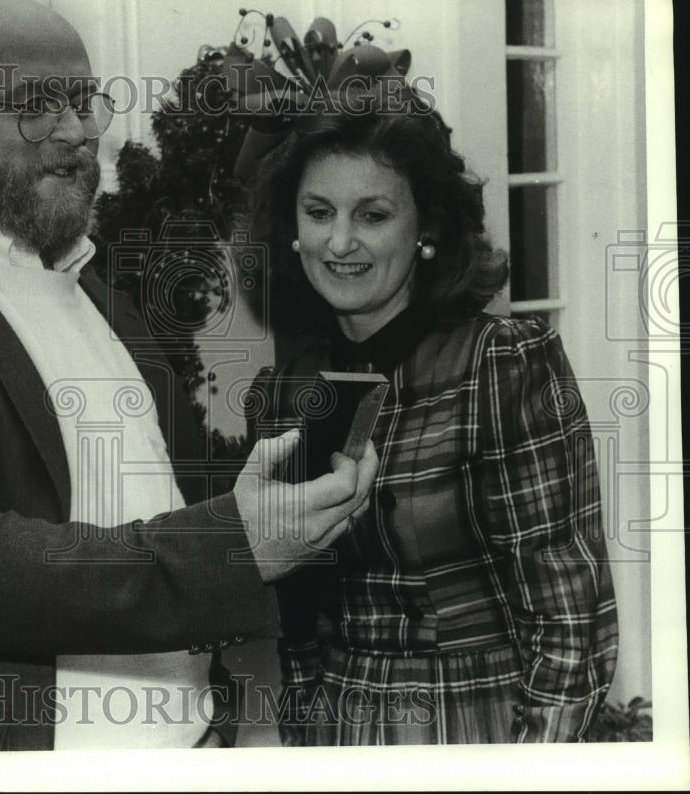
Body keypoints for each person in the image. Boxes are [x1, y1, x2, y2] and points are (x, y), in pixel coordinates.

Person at [0, 0, 378, 752]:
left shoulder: (103, 296)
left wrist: (285, 484)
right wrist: (233, 541)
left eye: (83, 99)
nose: (77, 130)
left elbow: (164, 499)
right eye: (32, 104)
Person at [240, 41, 619, 745]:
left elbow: (573, 633)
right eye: (318, 211)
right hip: (338, 738)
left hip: (474, 729)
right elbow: (299, 636)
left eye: (373, 214)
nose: (340, 241)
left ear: (427, 229)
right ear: (291, 228)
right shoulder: (288, 392)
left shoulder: (500, 365)